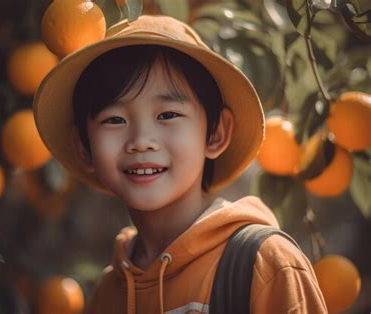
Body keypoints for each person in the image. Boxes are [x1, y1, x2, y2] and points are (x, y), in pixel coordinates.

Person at [33, 15, 327, 314]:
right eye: (114, 120)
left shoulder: (265, 265)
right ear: (84, 148)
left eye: (168, 115)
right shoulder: (110, 294)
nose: (141, 140)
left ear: (215, 133)